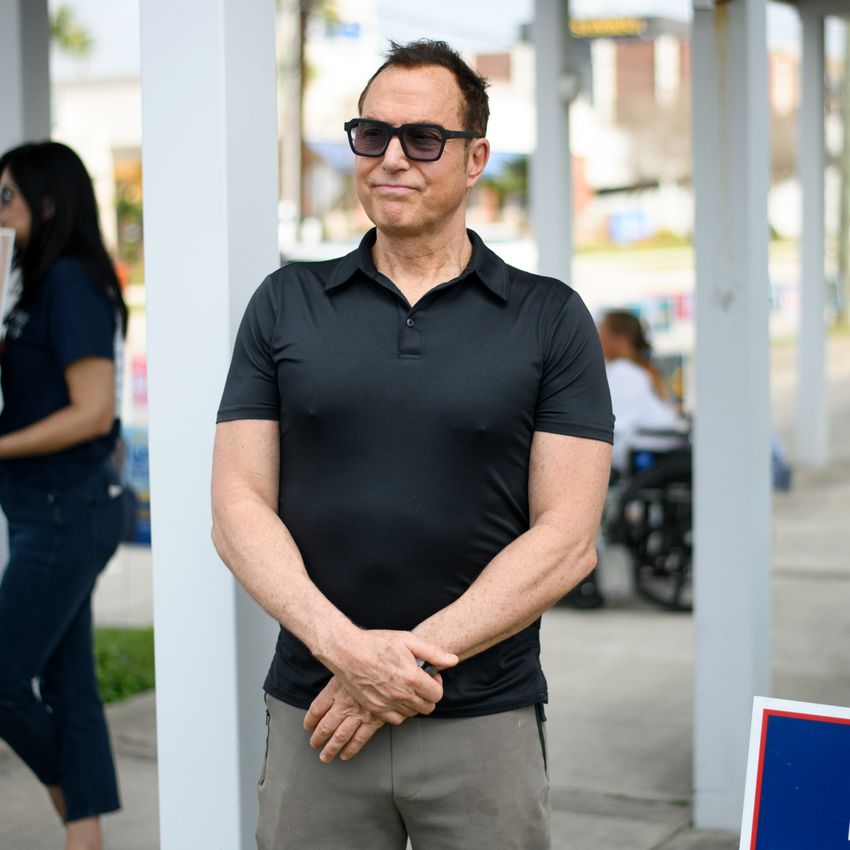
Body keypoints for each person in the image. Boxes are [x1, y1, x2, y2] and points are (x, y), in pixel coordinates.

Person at [212, 40, 613, 850]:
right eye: (372, 134)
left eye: (423, 138)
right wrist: (345, 654)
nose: (392, 157)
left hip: (482, 723)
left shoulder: (549, 317)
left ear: (475, 160)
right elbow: (236, 506)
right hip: (315, 714)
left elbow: (567, 540)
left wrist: (394, 672)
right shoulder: (285, 304)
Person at [0, 142, 127, 850]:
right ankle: (86, 837)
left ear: (48, 203)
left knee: (4, 682)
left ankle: (73, 807)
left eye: (7, 197)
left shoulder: (71, 282)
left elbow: (94, 411)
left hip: (67, 508)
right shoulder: (32, 283)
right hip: (39, 507)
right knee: (69, 683)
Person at [597, 310, 684, 474]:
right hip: (659, 448)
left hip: (643, 451)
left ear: (621, 339)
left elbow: (609, 424)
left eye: (602, 333)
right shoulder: (643, 370)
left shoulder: (623, 372)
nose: (597, 339)